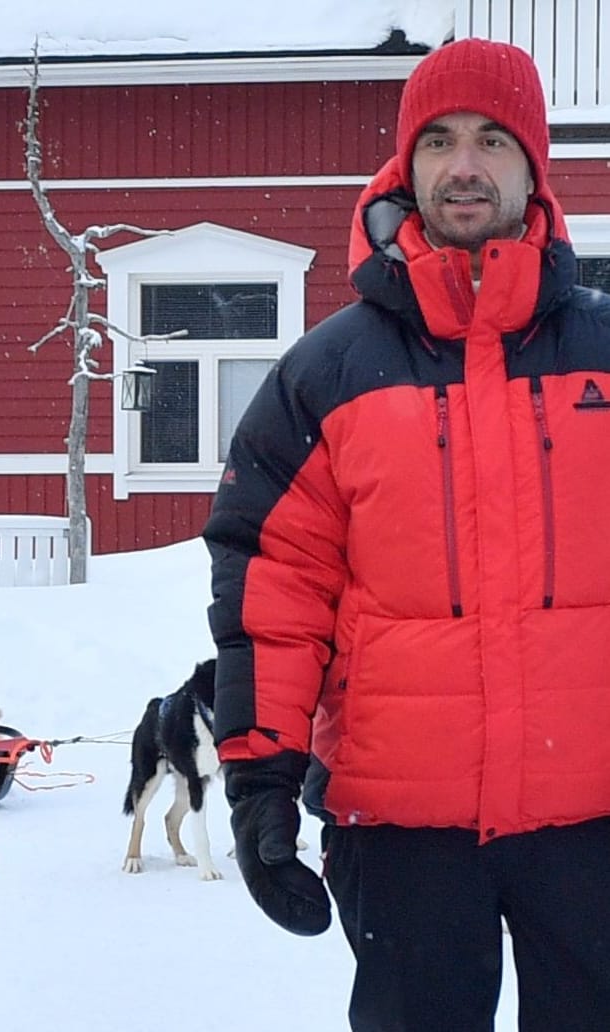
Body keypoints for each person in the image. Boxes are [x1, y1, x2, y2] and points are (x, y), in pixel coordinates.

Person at [206, 37, 610, 1032]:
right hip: (403, 830)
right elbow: (272, 594)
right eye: (437, 141)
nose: (462, 164)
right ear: (405, 165)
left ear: (533, 168)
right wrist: (261, 782)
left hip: (597, 823)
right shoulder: (325, 376)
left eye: (490, 139)